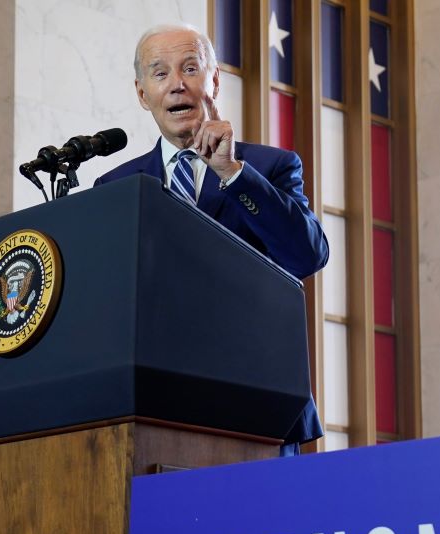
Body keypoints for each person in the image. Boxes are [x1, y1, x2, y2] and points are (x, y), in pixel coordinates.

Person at [94, 24, 328, 455]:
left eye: (190, 68)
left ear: (214, 80)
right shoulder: (115, 185)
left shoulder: (269, 167)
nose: (177, 84)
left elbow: (308, 254)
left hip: (257, 409)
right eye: (160, 74)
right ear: (143, 95)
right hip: (152, 409)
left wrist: (232, 174)